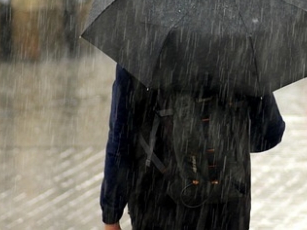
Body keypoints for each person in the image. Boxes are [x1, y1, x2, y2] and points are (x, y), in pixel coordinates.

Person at [100, 64, 285, 230]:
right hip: (227, 201)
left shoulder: (140, 49)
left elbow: (120, 138)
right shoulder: (239, 47)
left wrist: (111, 213)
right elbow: (270, 132)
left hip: (157, 202)